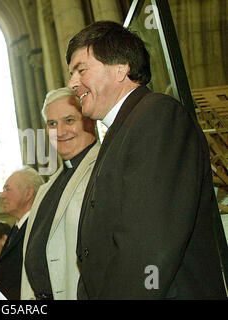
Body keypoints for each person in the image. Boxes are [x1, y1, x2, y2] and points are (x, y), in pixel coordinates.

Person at [67, 21, 226, 299]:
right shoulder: (124, 127)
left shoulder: (157, 116)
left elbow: (149, 246)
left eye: (81, 70)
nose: (72, 83)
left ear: (121, 68)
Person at [21, 87, 100, 300]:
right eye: (52, 124)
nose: (61, 131)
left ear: (90, 120)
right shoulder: (49, 185)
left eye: (69, 120)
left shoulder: (104, 169)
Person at [0, 167, 44, 299]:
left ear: (28, 194)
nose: (2, 195)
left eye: (7, 189)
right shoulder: (16, 229)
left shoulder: (38, 229)